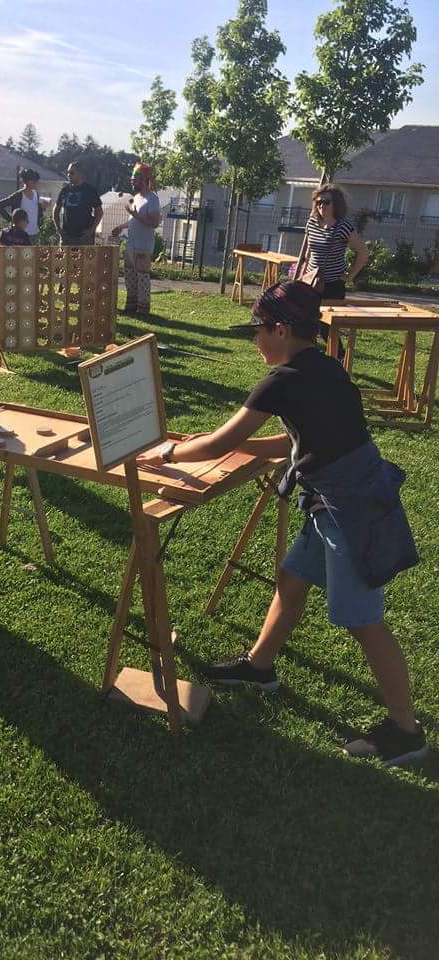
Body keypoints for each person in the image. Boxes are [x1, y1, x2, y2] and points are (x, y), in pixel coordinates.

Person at [138, 281, 427, 767]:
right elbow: (299, 441)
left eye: (259, 331)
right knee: (292, 580)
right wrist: (233, 446)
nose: (255, 341)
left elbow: (216, 444)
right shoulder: (324, 367)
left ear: (282, 329)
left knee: (364, 622)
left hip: (350, 511)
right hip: (336, 499)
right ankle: (260, 667)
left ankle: (407, 732)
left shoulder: (283, 380)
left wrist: (168, 451)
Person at [298, 183, 369, 302]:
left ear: (336, 204)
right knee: (305, 318)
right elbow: (308, 254)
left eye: (326, 202)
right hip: (310, 281)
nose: (321, 205)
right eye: (318, 202)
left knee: (326, 319)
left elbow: (363, 252)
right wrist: (301, 276)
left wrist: (350, 276)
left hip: (333, 286)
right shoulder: (312, 223)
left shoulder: (343, 227)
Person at [111, 162, 161, 316]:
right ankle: (131, 306)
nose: (132, 182)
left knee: (142, 277)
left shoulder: (152, 199)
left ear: (144, 180)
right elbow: (134, 221)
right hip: (131, 244)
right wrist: (121, 226)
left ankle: (143, 309)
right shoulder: (136, 198)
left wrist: (134, 215)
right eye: (132, 180)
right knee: (129, 275)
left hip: (143, 245)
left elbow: (154, 222)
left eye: (135, 180)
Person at [53, 161, 103, 246]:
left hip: (84, 238)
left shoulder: (90, 191)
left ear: (80, 174)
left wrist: (91, 230)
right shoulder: (64, 190)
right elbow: (56, 209)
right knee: (64, 259)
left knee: (84, 260)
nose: (68, 175)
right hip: (67, 237)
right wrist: (58, 229)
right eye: (68, 172)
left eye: (72, 173)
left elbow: (99, 212)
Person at [0, 168, 46, 242]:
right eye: (35, 181)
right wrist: (11, 220)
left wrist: (43, 208)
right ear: (29, 181)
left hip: (35, 233)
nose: (37, 183)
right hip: (20, 235)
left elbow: (37, 212)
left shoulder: (36, 195)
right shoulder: (18, 195)